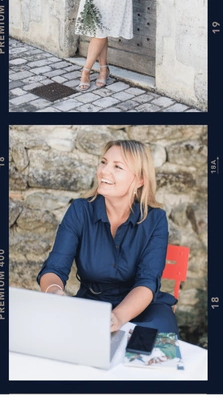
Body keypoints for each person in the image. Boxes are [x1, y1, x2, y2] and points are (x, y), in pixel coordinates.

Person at [37, 140, 178, 336]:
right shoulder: (80, 211)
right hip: (91, 306)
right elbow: (55, 268)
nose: (104, 171)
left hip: (142, 309)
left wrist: (117, 317)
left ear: (139, 180)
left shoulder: (155, 219)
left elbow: (147, 282)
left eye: (117, 167)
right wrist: (53, 291)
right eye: (103, 162)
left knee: (152, 356)